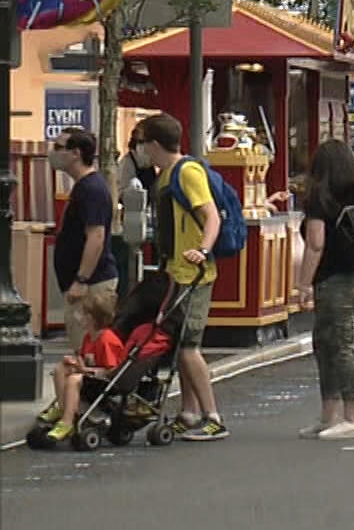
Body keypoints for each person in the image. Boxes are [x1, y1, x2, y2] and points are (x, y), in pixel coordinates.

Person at [131, 113, 229, 441]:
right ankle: (189, 412)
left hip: (193, 274)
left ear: (155, 144)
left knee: (188, 346)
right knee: (179, 345)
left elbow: (211, 216)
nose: (139, 149)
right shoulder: (167, 175)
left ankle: (213, 417)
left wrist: (202, 249)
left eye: (142, 142)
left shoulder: (187, 172)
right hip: (176, 271)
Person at [291, 141, 354, 440]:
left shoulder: (321, 198)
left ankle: (351, 417)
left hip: (332, 279)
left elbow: (316, 243)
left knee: (338, 347)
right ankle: (330, 417)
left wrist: (304, 284)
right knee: (329, 343)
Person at [34, 285, 127, 444]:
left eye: (83, 314)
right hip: (89, 376)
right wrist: (76, 363)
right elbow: (84, 358)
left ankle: (67, 422)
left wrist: (84, 369)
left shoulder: (107, 340)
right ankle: (63, 408)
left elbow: (112, 369)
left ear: (91, 318)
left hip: (105, 381)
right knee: (60, 368)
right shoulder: (89, 337)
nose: (79, 317)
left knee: (74, 379)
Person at [50, 128, 118, 337]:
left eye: (58, 147)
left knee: (88, 347)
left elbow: (96, 237)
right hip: (84, 284)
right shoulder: (84, 187)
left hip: (91, 286)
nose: (53, 152)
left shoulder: (91, 189)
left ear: (76, 153)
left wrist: (81, 280)